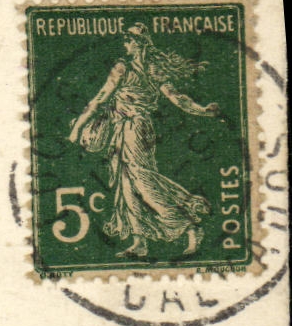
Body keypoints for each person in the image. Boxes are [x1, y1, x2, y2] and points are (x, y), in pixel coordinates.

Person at [69, 23, 220, 259]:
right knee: (126, 184)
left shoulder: (127, 69)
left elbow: (99, 99)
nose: (125, 45)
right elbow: (177, 98)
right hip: (126, 129)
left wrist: (77, 127)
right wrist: (201, 110)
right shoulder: (149, 69)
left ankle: (188, 223)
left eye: (128, 40)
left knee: (142, 181)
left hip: (135, 129)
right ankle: (139, 242)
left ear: (138, 44)